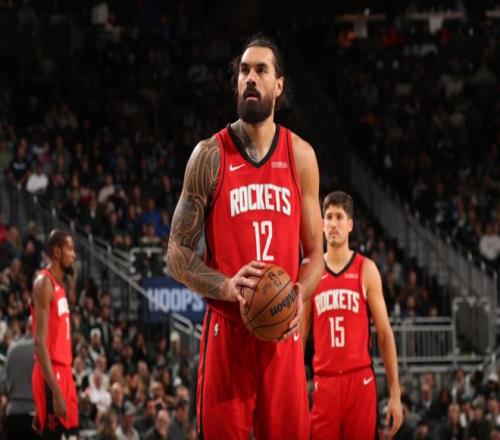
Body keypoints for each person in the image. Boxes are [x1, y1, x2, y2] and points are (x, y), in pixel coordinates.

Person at [166, 34, 324, 439]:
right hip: (227, 333)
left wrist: (298, 294)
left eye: (261, 70)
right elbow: (177, 254)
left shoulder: (301, 156)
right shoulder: (209, 155)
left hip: (281, 334)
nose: (250, 78)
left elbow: (315, 256)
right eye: (244, 70)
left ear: (279, 84)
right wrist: (226, 286)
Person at [303, 191, 403, 439]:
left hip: (360, 382)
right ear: (322, 224)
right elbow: (300, 337)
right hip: (325, 383)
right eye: (328, 217)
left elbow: (384, 334)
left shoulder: (366, 269)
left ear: (350, 225)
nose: (333, 223)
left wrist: (395, 394)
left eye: (339, 217)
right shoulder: (311, 273)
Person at [31, 229, 79, 438]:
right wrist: (55, 392)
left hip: (64, 373)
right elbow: (39, 343)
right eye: (70, 249)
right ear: (57, 252)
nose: (74, 255)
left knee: (71, 435)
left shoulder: (60, 286)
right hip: (53, 374)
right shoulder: (44, 283)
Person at [3, 317, 36, 440]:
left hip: (12, 413)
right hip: (33, 413)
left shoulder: (12, 348)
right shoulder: (41, 350)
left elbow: (4, 384)